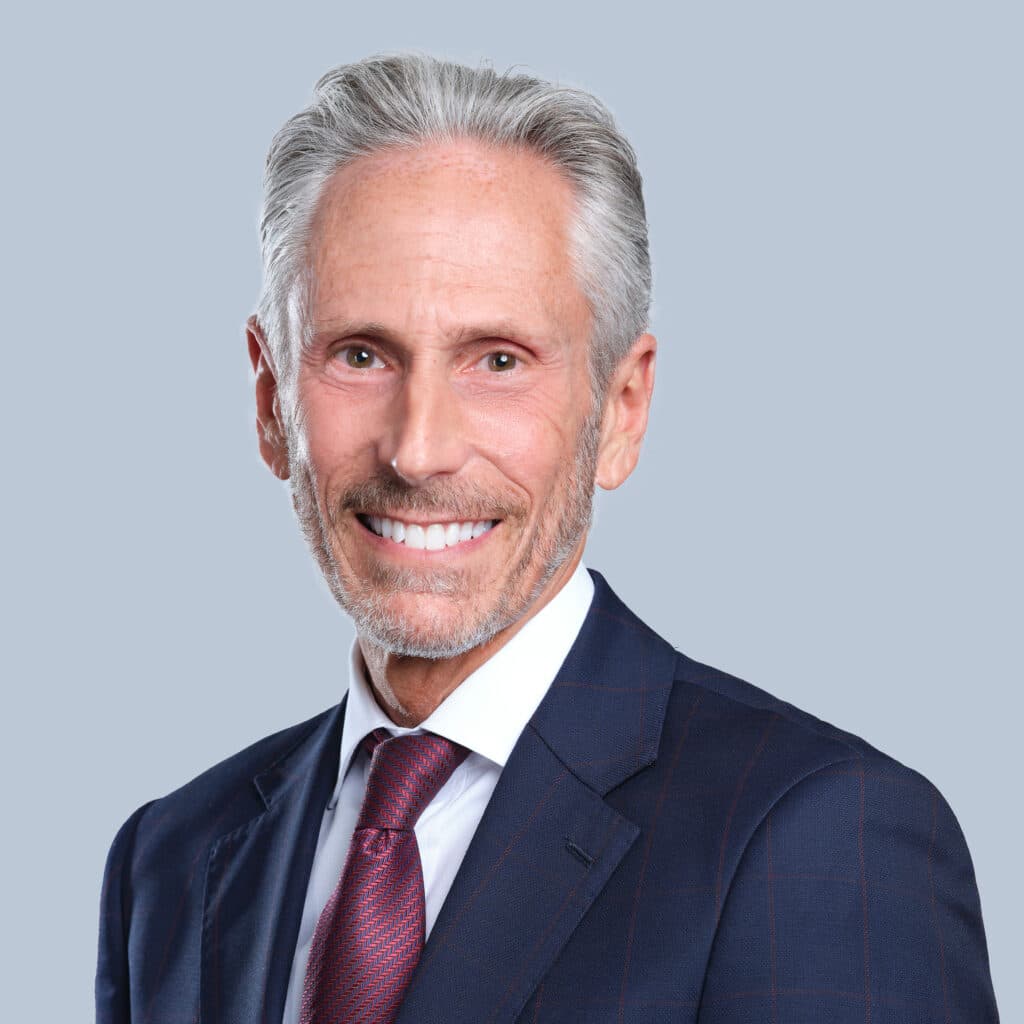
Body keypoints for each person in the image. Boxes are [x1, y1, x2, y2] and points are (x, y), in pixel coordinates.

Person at [95, 54, 1000, 1024]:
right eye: (360, 354)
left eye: (497, 359)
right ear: (272, 399)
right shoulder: (176, 857)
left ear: (621, 406)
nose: (419, 448)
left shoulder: (819, 840)